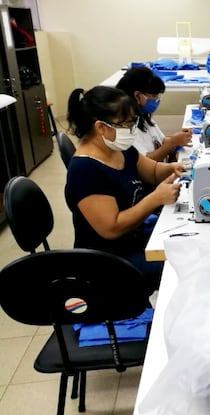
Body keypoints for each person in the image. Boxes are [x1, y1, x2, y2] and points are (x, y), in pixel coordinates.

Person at [65, 86, 184, 293]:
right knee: (184, 266)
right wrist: (155, 199)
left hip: (133, 240)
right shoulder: (85, 170)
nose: (131, 131)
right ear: (101, 127)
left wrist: (176, 168)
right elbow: (111, 228)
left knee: (189, 244)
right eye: (127, 124)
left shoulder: (121, 149)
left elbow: (154, 172)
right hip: (109, 262)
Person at [116, 66, 192, 162]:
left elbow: (160, 141)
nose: (157, 100)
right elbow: (146, 162)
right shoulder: (126, 127)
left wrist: (177, 139)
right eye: (153, 96)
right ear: (137, 96)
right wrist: (172, 143)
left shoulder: (143, 116)